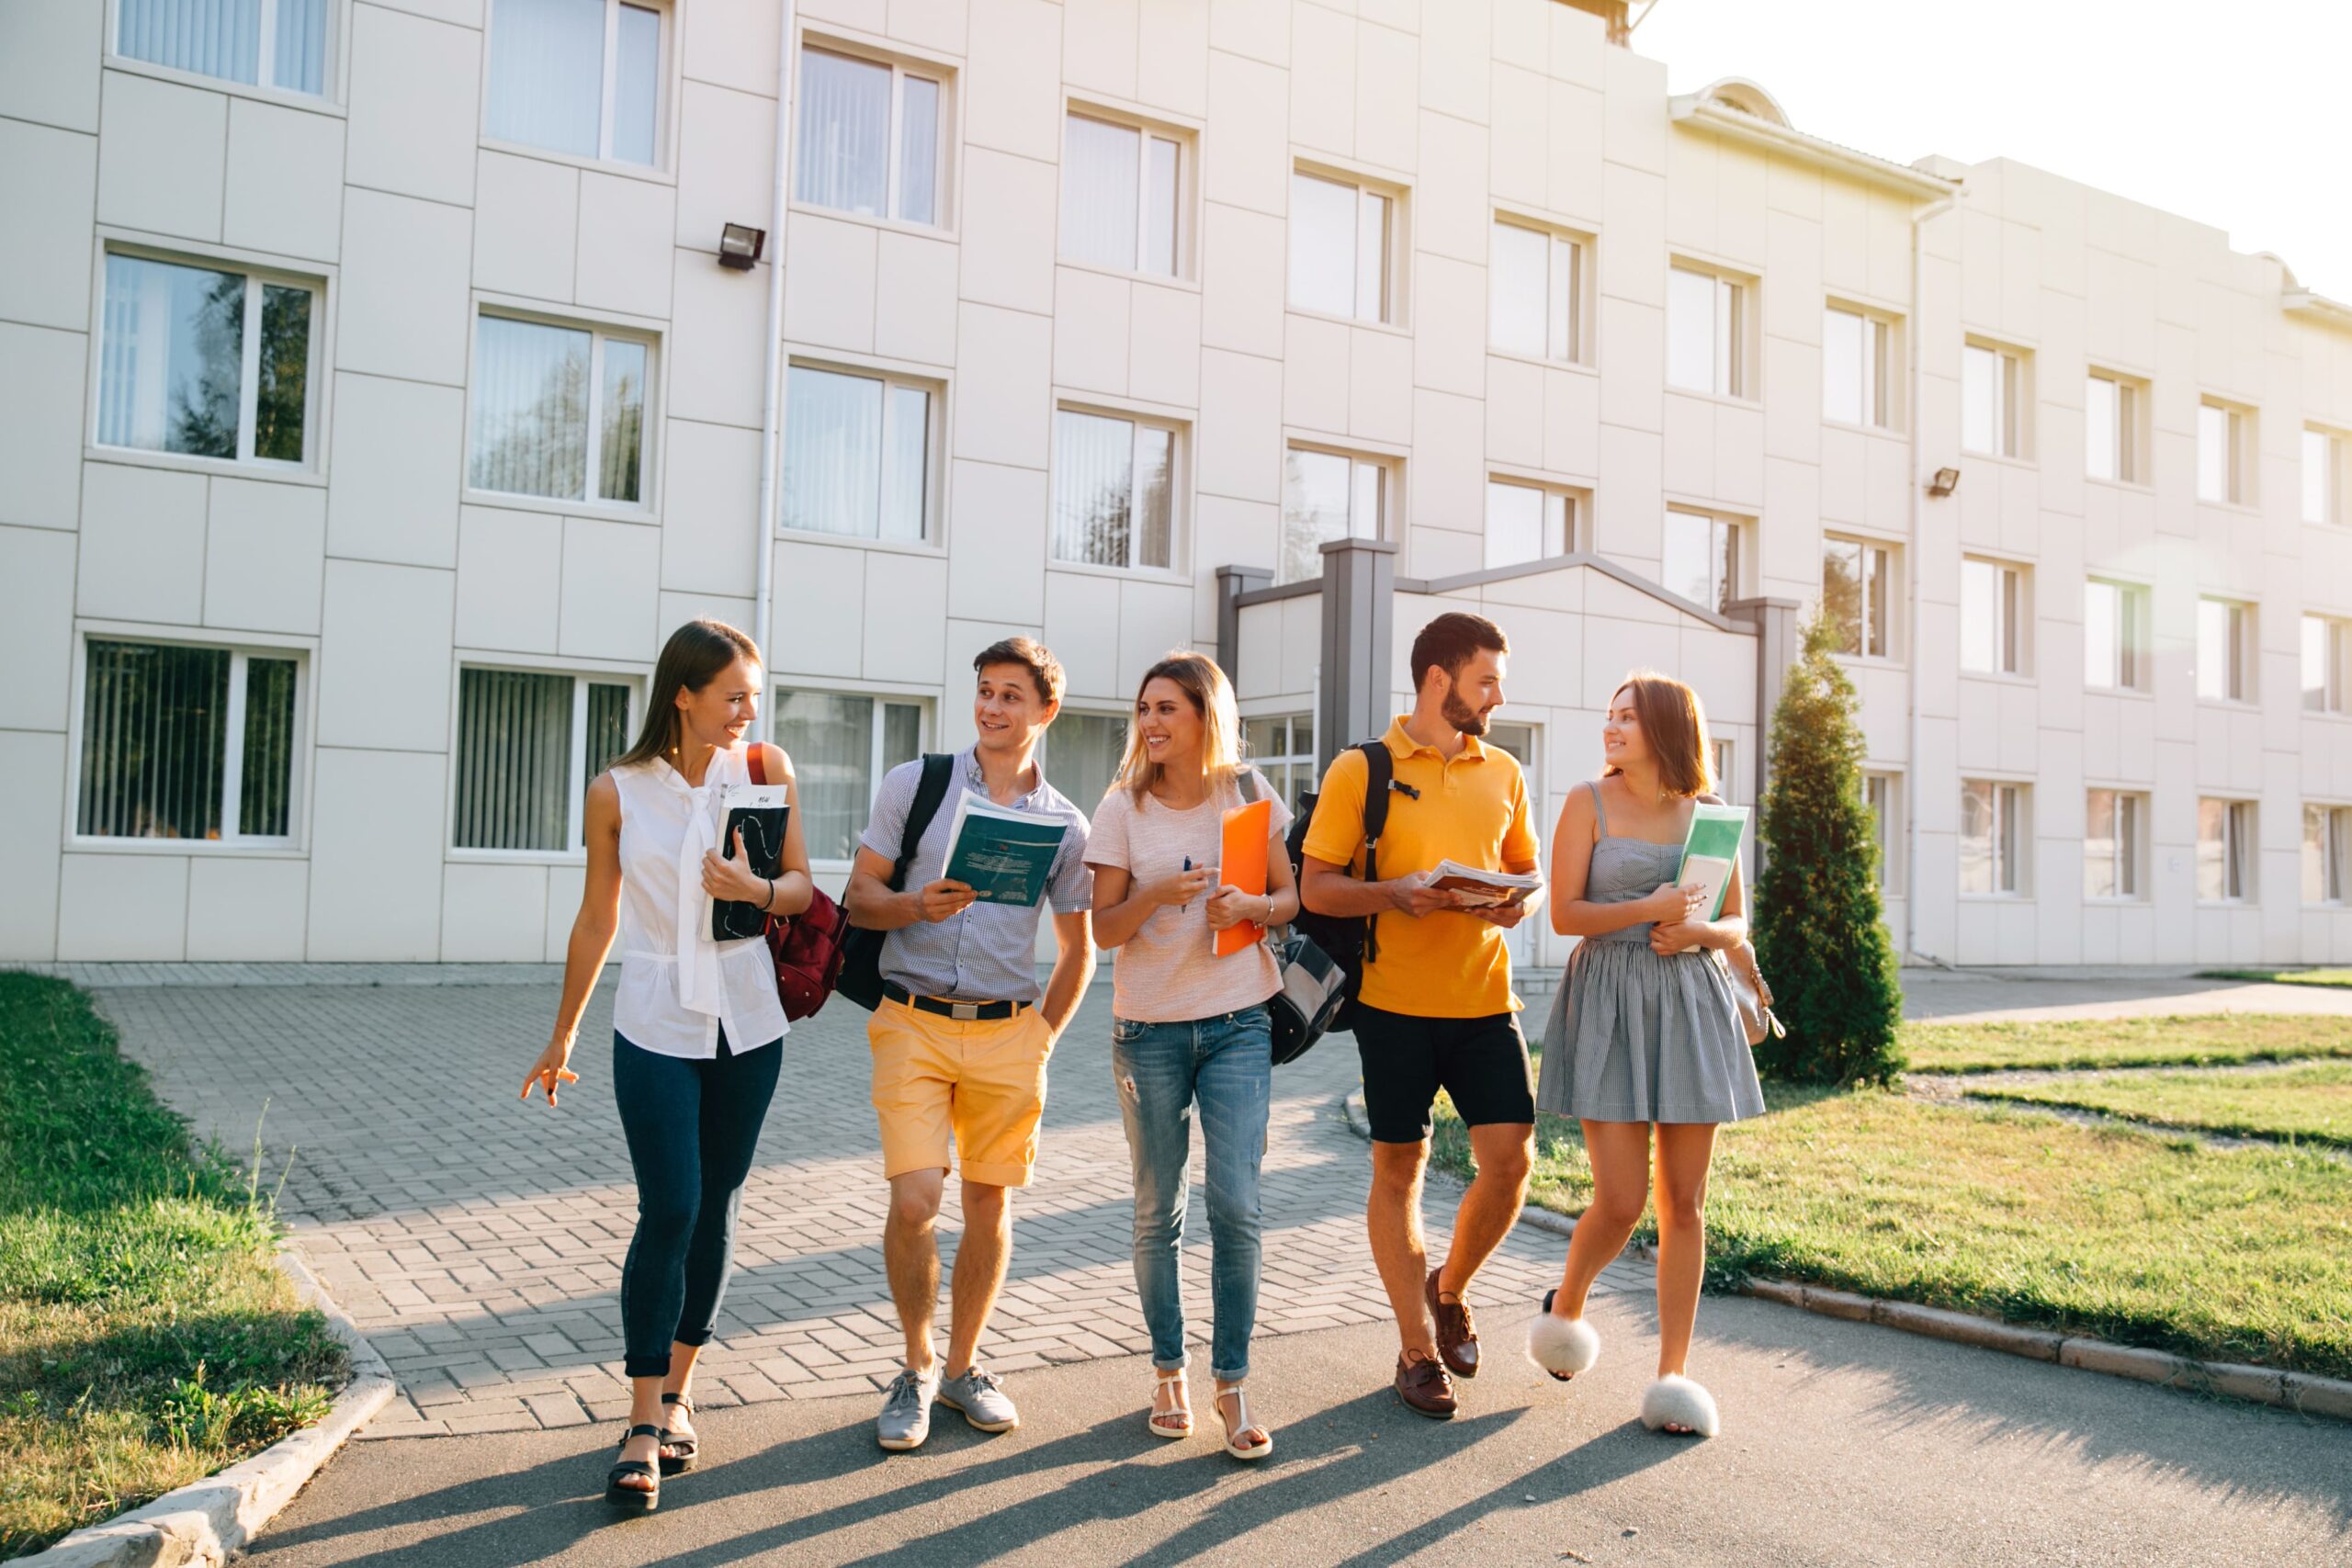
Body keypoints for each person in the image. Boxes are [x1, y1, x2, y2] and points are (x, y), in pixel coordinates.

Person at [520, 618, 813, 1512]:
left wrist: (754, 892)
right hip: (652, 1016)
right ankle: (641, 1418)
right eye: (732, 695)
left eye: (754, 696)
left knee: (717, 1206)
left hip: (748, 1018)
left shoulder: (766, 771)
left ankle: (681, 1392)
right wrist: (562, 1032)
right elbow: (596, 919)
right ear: (682, 694)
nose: (746, 711)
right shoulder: (616, 792)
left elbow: (802, 886)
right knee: (671, 1205)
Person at [843, 637, 1096, 1451]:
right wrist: (916, 907)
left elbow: (1081, 947)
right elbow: (857, 898)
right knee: (916, 1198)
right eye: (985, 691)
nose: (992, 707)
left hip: (1006, 1033)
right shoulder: (914, 785)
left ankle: (962, 1368)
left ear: (1045, 711)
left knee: (990, 1204)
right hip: (911, 1019)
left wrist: (1041, 1038)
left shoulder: (1065, 824)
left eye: (1011, 695)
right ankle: (915, 1369)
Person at [1297, 612, 1541, 1420]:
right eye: (1487, 679)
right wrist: (1394, 894)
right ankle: (1415, 1349)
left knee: (1510, 1163)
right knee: (1397, 1172)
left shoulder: (1503, 770)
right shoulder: (1359, 769)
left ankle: (1452, 1288)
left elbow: (1522, 869)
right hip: (1392, 1008)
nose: (1498, 695)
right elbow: (1316, 887)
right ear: (1440, 678)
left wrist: (1511, 905)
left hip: (1484, 1001)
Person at [1523, 671, 1765, 1439]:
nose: (1612, 728)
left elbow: (1736, 921)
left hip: (1692, 1005)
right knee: (1622, 1198)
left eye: (1627, 717)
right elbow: (1566, 914)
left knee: (1685, 1203)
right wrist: (1653, 908)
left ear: (1665, 728)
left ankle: (1673, 1374)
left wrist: (1698, 932)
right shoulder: (1585, 802)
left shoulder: (1710, 817)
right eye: (1609, 716)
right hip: (1610, 1001)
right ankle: (1566, 1305)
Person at [1086, 652, 1300, 1461]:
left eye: (1166, 708)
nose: (1150, 723)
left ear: (1205, 715)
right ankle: (1168, 1367)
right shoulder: (1122, 808)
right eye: (1144, 708)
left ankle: (1233, 1379)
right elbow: (1102, 929)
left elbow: (1291, 897)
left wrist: (1253, 905)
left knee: (1238, 1204)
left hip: (1238, 1019)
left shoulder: (1247, 793)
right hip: (1148, 1028)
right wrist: (1156, 897)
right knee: (1158, 1208)